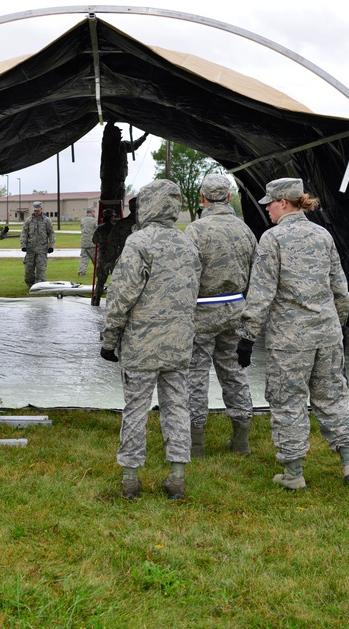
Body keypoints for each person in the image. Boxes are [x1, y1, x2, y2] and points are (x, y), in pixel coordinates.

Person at [237, 177, 349, 490]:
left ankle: (293, 473)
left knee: (288, 402)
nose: (267, 209)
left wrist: (247, 335)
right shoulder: (323, 235)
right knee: (333, 397)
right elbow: (341, 287)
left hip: (290, 342)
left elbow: (261, 293)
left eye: (269, 203)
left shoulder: (273, 239)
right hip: (326, 335)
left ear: (283, 202)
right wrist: (337, 324)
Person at [100, 179, 201, 500]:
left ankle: (130, 479)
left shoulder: (139, 243)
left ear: (147, 205)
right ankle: (177, 477)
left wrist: (109, 339)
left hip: (141, 344)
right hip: (178, 343)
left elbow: (121, 296)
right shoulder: (187, 245)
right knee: (177, 408)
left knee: (136, 409)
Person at [184, 174, 258, 458]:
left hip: (201, 313)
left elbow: (187, 275)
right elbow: (255, 274)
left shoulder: (196, 231)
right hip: (235, 311)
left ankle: (196, 443)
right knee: (235, 371)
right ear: (228, 197)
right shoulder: (245, 230)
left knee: (195, 375)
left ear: (202, 198)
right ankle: (241, 440)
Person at [94, 197, 138, 305]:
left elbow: (105, 242)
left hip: (115, 258)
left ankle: (97, 299)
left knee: (103, 281)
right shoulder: (143, 225)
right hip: (136, 261)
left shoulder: (119, 225)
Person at [100, 120, 148, 205]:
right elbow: (106, 133)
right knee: (107, 203)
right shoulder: (107, 144)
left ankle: (117, 218)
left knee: (119, 203)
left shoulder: (123, 145)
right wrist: (111, 121)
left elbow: (135, 145)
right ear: (112, 133)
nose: (120, 133)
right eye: (118, 132)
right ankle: (107, 217)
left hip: (120, 180)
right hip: (108, 181)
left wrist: (145, 136)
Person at [20, 201, 55, 287]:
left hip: (42, 250)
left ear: (41, 210)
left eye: (38, 211)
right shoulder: (29, 220)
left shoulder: (47, 221)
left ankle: (40, 286)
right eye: (35, 210)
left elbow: (51, 233)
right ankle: (31, 286)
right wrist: (23, 245)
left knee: (41, 270)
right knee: (28, 271)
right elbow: (24, 233)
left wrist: (51, 246)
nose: (36, 212)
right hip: (30, 250)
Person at [90, 208, 116, 306]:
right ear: (111, 217)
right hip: (113, 256)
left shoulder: (100, 228)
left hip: (102, 256)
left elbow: (94, 240)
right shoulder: (115, 228)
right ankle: (114, 301)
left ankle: (97, 299)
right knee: (116, 279)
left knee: (100, 280)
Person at [78, 208, 97, 278]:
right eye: (94, 212)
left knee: (84, 258)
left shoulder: (83, 220)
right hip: (92, 243)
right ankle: (99, 271)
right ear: (92, 212)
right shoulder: (94, 220)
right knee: (96, 258)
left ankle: (81, 272)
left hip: (83, 242)